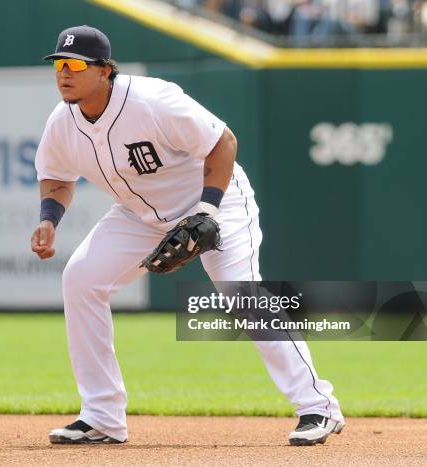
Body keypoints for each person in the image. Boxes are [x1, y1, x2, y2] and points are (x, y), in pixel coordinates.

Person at [31, 25, 345, 446]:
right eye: (58, 65)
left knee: (241, 293)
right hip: (138, 215)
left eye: (74, 65)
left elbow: (223, 143)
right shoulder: (62, 122)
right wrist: (49, 219)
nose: (63, 73)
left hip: (217, 202)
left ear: (105, 70)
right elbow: (56, 177)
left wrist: (207, 209)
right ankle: (102, 416)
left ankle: (318, 407)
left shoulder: (152, 100)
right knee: (81, 280)